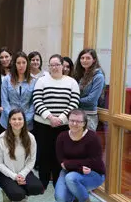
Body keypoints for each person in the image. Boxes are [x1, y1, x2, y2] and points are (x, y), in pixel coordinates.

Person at [33, 54, 80, 189]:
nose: (54, 67)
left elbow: (74, 102)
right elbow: (37, 100)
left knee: (59, 154)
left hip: (63, 126)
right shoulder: (42, 81)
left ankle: (58, 182)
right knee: (43, 153)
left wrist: (61, 118)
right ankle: (43, 182)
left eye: (57, 65)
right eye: (51, 65)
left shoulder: (71, 82)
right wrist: (50, 117)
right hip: (43, 125)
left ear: (62, 66)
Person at [55, 109, 105, 202]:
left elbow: (95, 161)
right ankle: (76, 196)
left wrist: (69, 164)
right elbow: (61, 161)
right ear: (68, 121)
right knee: (60, 198)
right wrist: (79, 167)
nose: (74, 124)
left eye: (78, 121)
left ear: (84, 123)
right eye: (72, 120)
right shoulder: (62, 136)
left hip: (93, 173)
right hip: (68, 171)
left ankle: (85, 200)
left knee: (71, 179)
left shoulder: (92, 137)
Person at [0, 109, 43, 202]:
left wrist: (22, 174)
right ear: (9, 121)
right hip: (6, 174)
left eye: (20, 119)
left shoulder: (30, 138)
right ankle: (9, 193)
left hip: (23, 172)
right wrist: (14, 177)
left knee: (37, 188)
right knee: (17, 194)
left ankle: (19, 193)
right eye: (14, 119)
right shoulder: (1, 138)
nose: (17, 122)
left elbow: (31, 161)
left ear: (24, 121)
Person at [0, 52, 36, 131]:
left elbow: (33, 103)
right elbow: (4, 101)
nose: (21, 65)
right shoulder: (7, 80)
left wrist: (24, 120)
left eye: (24, 62)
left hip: (27, 122)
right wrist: (13, 119)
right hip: (8, 122)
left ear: (27, 64)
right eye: (18, 63)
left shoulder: (33, 81)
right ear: (14, 64)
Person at [74, 49, 105, 131]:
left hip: (89, 117)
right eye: (82, 58)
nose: (84, 60)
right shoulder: (81, 75)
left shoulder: (98, 77)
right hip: (77, 114)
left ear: (94, 60)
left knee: (86, 142)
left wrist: (73, 100)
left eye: (88, 58)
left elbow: (92, 100)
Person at [0, 47, 12, 150]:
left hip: (14, 111)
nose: (4, 59)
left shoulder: (17, 72)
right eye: (1, 57)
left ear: (11, 57)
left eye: (6, 56)